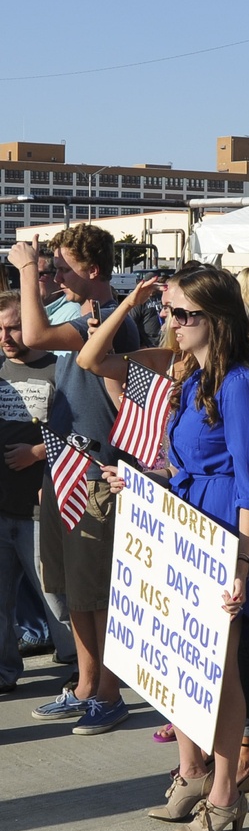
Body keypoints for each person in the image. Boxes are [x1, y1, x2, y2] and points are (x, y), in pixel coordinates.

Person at [108, 265, 249, 831]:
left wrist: (243, 562)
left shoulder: (241, 385)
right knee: (174, 664)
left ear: (218, 319)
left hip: (224, 534)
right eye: (167, 311)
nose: (169, 322)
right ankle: (192, 774)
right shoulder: (190, 379)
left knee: (219, 672)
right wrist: (141, 480)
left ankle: (225, 796)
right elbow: (184, 464)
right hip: (181, 527)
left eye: (183, 314)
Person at [12, 227, 139, 735]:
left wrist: (25, 267)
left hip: (95, 475)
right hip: (67, 469)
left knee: (96, 594)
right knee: (72, 591)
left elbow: (35, 336)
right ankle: (86, 685)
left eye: (61, 268)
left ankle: (109, 693)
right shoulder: (85, 315)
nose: (52, 276)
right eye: (49, 268)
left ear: (92, 271)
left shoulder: (110, 322)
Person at [0, 292, 63, 694]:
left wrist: (37, 452)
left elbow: (86, 435)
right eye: (0, 328)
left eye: (15, 326)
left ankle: (82, 672)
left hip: (41, 511)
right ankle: (5, 674)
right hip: (1, 507)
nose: (6, 336)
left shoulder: (61, 368)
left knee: (60, 603)